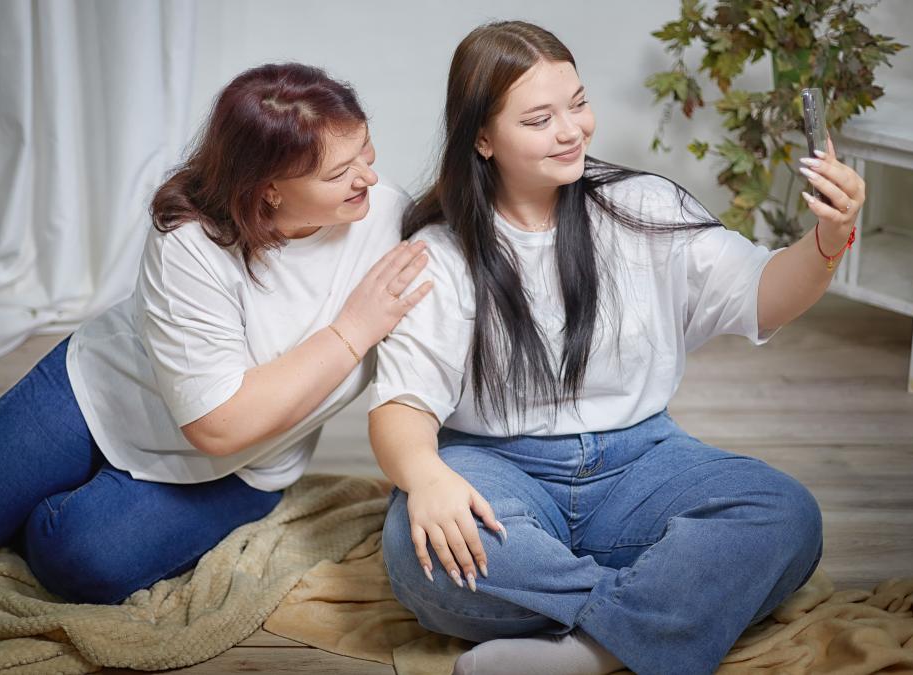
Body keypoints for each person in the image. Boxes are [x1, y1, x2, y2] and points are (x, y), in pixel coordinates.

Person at [0, 62, 432, 605]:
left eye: (367, 154)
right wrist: (354, 330)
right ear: (268, 188)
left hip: (244, 467)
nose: (368, 181)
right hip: (108, 395)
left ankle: (47, 494)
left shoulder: (391, 223)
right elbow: (217, 423)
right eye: (340, 173)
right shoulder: (190, 237)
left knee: (74, 558)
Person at [368, 21, 865, 675]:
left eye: (577, 103)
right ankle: (664, 606)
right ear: (483, 138)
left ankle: (589, 652)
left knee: (786, 513)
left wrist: (829, 238)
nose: (572, 129)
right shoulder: (442, 251)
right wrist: (428, 478)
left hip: (644, 464)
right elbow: (399, 407)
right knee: (413, 547)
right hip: (498, 473)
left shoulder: (644, 207)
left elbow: (763, 294)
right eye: (540, 118)